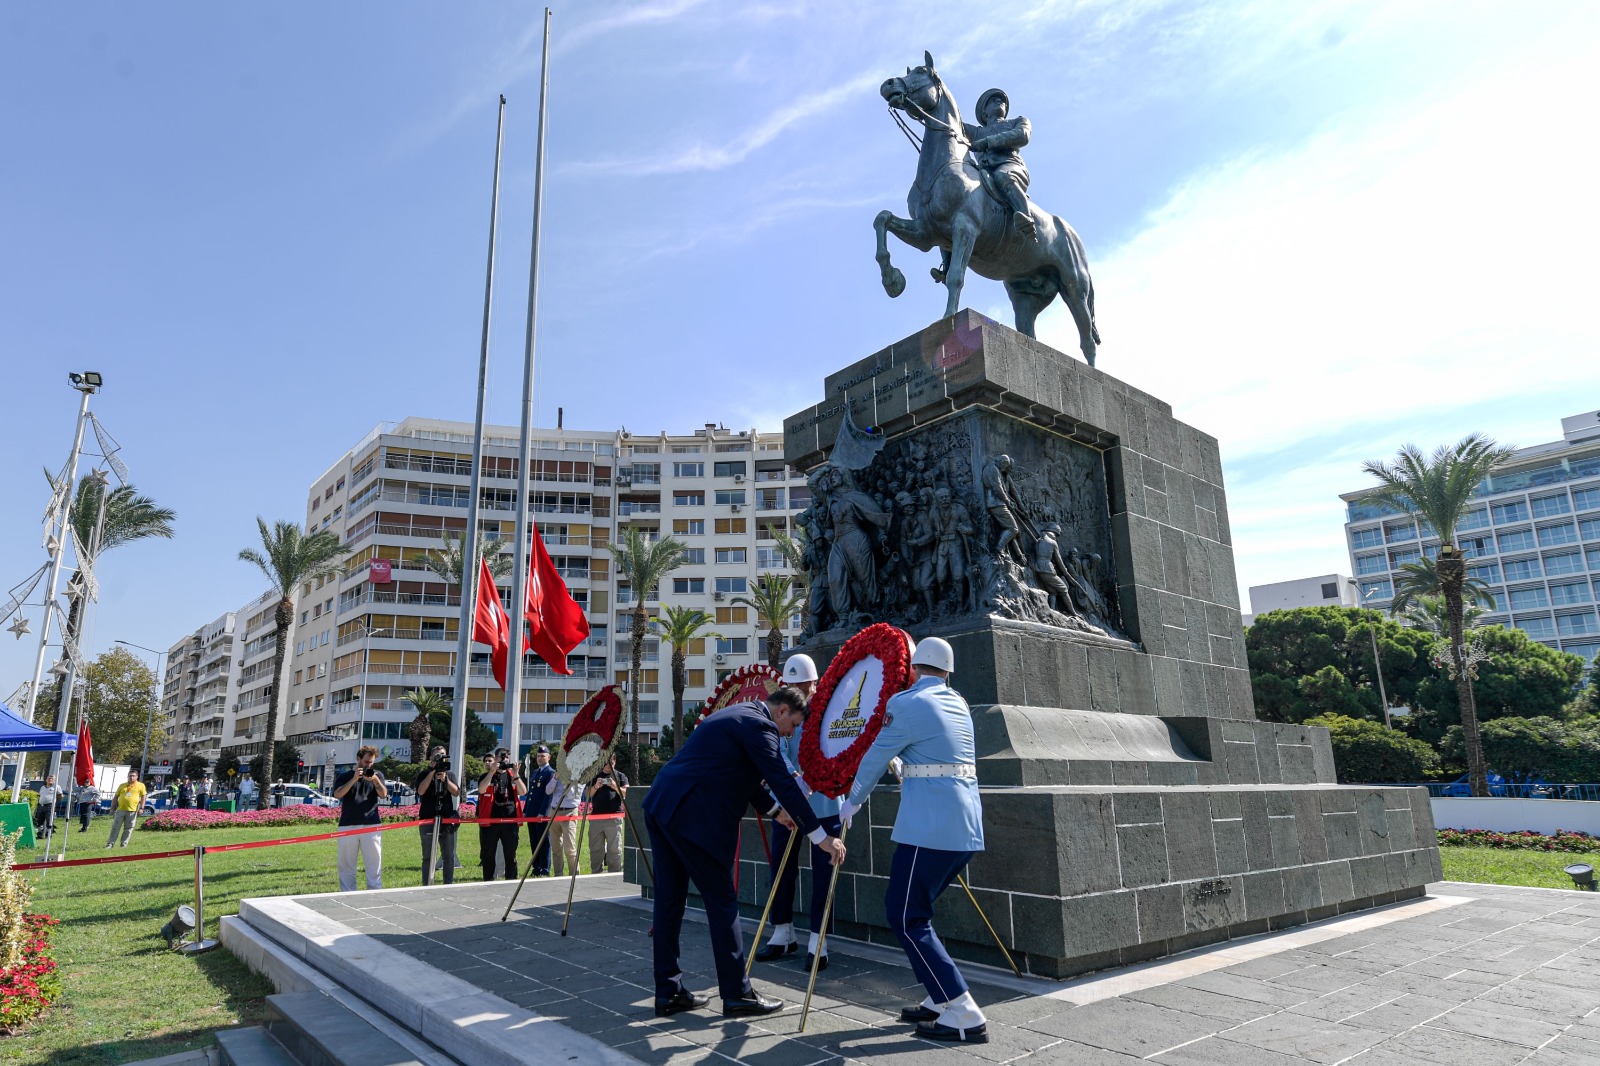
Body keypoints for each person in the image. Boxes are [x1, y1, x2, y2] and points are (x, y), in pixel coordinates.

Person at [643, 685, 846, 1019]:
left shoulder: (738, 715)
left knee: (668, 902)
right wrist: (820, 836)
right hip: (694, 816)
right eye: (792, 725)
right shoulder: (761, 726)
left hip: (663, 805)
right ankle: (738, 994)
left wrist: (774, 812)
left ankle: (669, 991)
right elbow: (782, 781)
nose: (790, 734)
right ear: (781, 711)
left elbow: (745, 775)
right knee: (722, 902)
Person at [840, 637, 987, 1043]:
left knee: (906, 917)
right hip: (964, 829)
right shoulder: (959, 704)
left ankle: (962, 1010)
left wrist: (851, 801)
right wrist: (905, 765)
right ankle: (938, 1000)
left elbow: (871, 756)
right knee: (917, 912)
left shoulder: (904, 704)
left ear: (915, 670)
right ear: (947, 671)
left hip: (929, 830)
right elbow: (941, 759)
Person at [754, 655, 835, 967]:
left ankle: (819, 938)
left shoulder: (830, 710)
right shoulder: (783, 710)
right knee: (781, 869)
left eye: (803, 687)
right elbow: (777, 753)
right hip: (789, 802)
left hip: (826, 802)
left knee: (823, 873)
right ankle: (782, 930)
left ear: (814, 683)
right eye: (792, 687)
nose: (798, 693)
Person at [964, 88, 1035, 241]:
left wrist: (989, 142)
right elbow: (949, 122)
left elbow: (1022, 136)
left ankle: (1026, 219)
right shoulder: (976, 132)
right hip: (984, 173)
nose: (999, 101)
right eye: (992, 100)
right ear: (984, 113)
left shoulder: (1018, 121)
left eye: (1001, 100)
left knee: (1004, 176)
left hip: (1010, 166)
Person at [331, 746, 388, 891]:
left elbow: (383, 794)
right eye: (367, 762)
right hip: (348, 824)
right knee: (346, 864)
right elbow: (338, 795)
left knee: (374, 862)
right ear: (358, 759)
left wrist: (374, 779)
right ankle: (347, 892)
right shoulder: (345, 776)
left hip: (371, 824)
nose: (369, 765)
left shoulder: (377, 775)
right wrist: (354, 779)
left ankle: (375, 890)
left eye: (372, 762)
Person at [477, 747, 525, 881]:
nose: (504, 760)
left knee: (510, 852)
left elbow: (523, 792)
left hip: (510, 820)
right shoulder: (488, 775)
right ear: (495, 759)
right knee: (488, 853)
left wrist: (516, 774)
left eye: (506, 757)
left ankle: (511, 878)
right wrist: (492, 772)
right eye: (501, 757)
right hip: (491, 820)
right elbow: (481, 789)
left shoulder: (511, 775)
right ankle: (488, 879)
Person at [415, 746, 460, 886]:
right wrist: (432, 771)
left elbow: (456, 792)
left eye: (443, 755)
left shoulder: (450, 774)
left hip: (446, 819)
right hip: (428, 818)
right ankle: (426, 884)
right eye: (437, 756)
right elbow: (421, 791)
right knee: (427, 856)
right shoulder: (424, 773)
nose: (440, 758)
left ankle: (448, 883)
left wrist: (445, 780)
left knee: (448, 855)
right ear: (431, 758)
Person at [586, 752, 629, 874]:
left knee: (615, 849)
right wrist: (595, 786)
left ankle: (614, 874)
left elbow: (628, 792)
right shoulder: (595, 775)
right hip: (596, 818)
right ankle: (595, 873)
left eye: (610, 762)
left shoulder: (620, 776)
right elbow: (588, 794)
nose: (607, 765)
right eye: (605, 762)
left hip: (614, 817)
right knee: (595, 849)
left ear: (614, 760)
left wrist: (615, 786)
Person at [544, 761, 584, 877]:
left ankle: (574, 875)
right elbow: (548, 790)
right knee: (556, 847)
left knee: (570, 848)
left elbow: (573, 795)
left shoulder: (580, 777)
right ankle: (558, 874)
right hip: (554, 811)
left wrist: (569, 781)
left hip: (569, 811)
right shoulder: (557, 775)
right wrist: (556, 778)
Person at [523, 745, 556, 876]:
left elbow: (548, 795)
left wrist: (543, 812)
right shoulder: (536, 772)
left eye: (543, 756)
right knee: (534, 841)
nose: (540, 758)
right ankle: (536, 867)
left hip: (541, 814)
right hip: (532, 813)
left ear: (549, 757)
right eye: (538, 756)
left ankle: (544, 868)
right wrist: (526, 810)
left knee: (544, 842)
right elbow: (531, 793)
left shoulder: (550, 773)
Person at [105, 771, 147, 848]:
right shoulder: (122, 785)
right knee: (115, 828)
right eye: (130, 776)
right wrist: (112, 808)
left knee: (128, 828)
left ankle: (123, 844)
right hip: (120, 810)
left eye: (134, 776)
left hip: (132, 810)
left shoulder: (141, 785)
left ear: (137, 777)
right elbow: (115, 797)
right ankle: (110, 844)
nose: (132, 777)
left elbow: (143, 797)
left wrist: (141, 808)